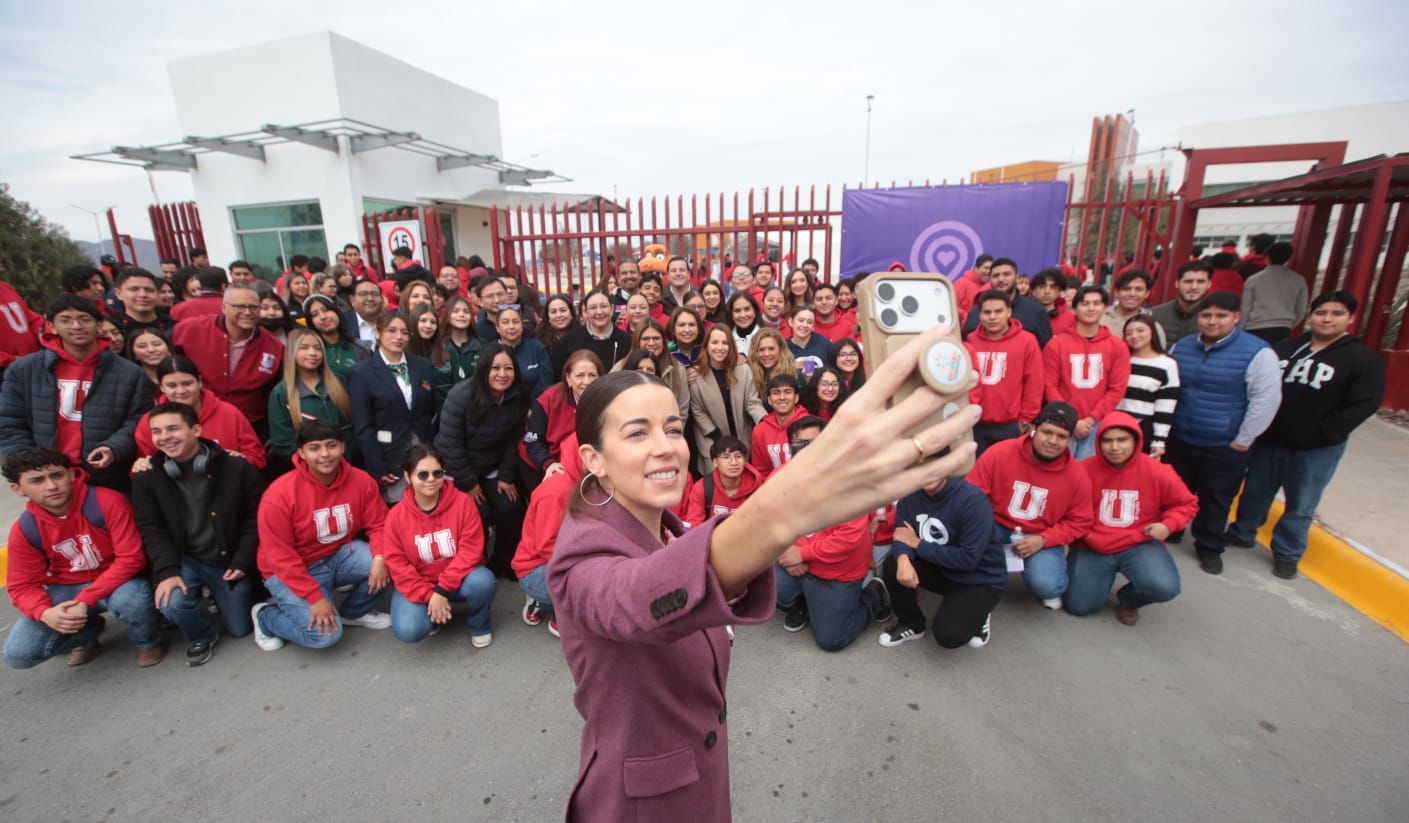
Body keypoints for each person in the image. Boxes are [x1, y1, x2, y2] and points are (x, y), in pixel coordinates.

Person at [546, 334, 979, 820]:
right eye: (636, 433)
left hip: (699, 780)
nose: (666, 448)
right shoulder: (579, 557)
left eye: (672, 428)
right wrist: (795, 501)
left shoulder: (666, 528)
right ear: (593, 460)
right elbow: (639, 597)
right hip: (643, 805)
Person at [1226, 291, 1385, 579]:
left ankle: (1287, 553)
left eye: (1336, 313)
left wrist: (1326, 432)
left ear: (1351, 318)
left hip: (1317, 448)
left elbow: (1365, 403)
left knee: (1301, 504)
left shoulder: (1362, 359)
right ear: (1310, 315)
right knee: (1255, 492)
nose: (1327, 319)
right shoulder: (1285, 348)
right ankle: (1242, 531)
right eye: (1321, 312)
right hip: (1270, 439)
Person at [3, 447, 165, 669]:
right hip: (67, 589)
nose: (51, 486)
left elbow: (131, 559)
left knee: (132, 600)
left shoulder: (106, 501)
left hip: (119, 582)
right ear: (17, 488)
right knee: (18, 654)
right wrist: (44, 613)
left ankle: (147, 641)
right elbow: (22, 586)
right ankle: (87, 633)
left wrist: (85, 599)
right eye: (37, 480)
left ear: (70, 474)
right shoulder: (24, 529)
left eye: (57, 475)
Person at [131, 402, 264, 665]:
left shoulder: (236, 467)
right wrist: (167, 572)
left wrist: (242, 560)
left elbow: (256, 518)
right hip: (185, 559)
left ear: (196, 429)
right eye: (157, 432)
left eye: (172, 428)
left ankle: (222, 596)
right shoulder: (146, 477)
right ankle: (203, 633)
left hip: (227, 559)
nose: (164, 437)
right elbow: (152, 529)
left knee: (240, 629)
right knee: (170, 601)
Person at [1166, 292, 1281, 575]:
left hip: (1224, 442)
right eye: (1206, 316)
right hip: (1180, 436)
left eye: (1221, 316)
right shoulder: (1182, 347)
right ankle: (1173, 530)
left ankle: (1208, 546)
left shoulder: (1258, 352)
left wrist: (1243, 440)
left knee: (1216, 499)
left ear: (1236, 317)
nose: (1212, 322)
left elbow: (1265, 400)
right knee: (1175, 490)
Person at [251, 420, 392, 651]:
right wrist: (314, 598)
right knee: (325, 637)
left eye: (331, 445)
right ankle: (265, 616)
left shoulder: (361, 480)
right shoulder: (279, 494)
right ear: (301, 453)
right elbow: (279, 557)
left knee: (391, 561)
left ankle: (353, 612)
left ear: (343, 447)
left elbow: (380, 524)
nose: (325, 454)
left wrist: (380, 558)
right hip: (291, 570)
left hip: (337, 555)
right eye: (314, 448)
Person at [0, 295, 151, 491]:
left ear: (99, 326)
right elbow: (9, 423)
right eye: (66, 320)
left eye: (84, 319)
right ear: (51, 326)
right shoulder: (24, 370)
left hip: (108, 476)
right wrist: (30, 466)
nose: (76, 325)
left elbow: (138, 419)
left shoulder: (129, 373)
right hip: (48, 479)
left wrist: (114, 447)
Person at [1065, 413, 1196, 624]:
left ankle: (1129, 600)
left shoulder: (1158, 471)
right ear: (1098, 442)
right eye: (1107, 440)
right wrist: (1086, 535)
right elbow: (1066, 510)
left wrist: (1167, 525)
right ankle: (1097, 580)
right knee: (1079, 606)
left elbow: (1186, 504)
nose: (1114, 447)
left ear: (1136, 440)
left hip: (1139, 543)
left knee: (1164, 587)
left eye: (1122, 440)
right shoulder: (1082, 471)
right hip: (1092, 545)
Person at [967, 402, 1094, 609]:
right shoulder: (1000, 452)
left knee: (1048, 586)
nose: (1053, 441)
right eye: (1047, 432)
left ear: (1070, 439)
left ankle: (1043, 571)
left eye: (1061, 436)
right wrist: (981, 531)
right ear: (1034, 429)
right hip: (996, 525)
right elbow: (973, 494)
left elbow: (1080, 521)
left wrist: (1044, 540)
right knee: (963, 559)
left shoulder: (1078, 476)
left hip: (1039, 534)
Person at [381, 446, 497, 647]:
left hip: (458, 580)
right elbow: (397, 564)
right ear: (407, 477)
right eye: (422, 474)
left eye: (437, 473)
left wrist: (441, 591)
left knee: (483, 581)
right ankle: (433, 615)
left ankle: (479, 623)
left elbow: (470, 551)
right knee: (409, 630)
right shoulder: (396, 516)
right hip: (419, 583)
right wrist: (430, 596)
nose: (431, 479)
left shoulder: (463, 503)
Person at [877, 473, 1005, 649]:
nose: (930, 472)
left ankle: (981, 612)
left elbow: (968, 559)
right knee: (894, 562)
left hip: (978, 578)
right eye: (923, 467)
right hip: (941, 568)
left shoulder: (973, 500)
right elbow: (902, 535)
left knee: (948, 636)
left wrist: (917, 544)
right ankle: (911, 624)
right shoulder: (909, 496)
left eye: (937, 465)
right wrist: (903, 558)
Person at [436, 344, 529, 580]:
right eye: (495, 368)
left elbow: (514, 440)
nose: (502, 374)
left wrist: (507, 476)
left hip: (492, 465)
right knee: (479, 512)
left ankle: (504, 562)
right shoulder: (461, 395)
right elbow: (450, 444)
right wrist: (467, 483)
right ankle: (477, 566)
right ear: (484, 369)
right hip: (457, 469)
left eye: (509, 368)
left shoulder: (517, 396)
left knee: (512, 506)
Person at [349, 311, 440, 504]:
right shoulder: (362, 372)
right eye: (392, 331)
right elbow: (363, 426)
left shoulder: (422, 365)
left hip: (423, 450)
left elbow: (433, 408)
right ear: (378, 333)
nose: (398, 337)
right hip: (389, 456)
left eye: (404, 332)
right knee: (398, 509)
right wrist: (378, 466)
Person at [171, 284, 284, 435]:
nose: (247, 312)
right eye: (239, 307)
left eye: (253, 307)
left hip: (250, 425)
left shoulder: (274, 346)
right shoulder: (189, 330)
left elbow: (275, 393)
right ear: (224, 308)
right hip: (196, 421)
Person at [1042, 286, 1131, 460]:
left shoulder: (1117, 346)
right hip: (1061, 422)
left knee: (1089, 474)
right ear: (1074, 309)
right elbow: (1049, 384)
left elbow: (1117, 389)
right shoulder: (1057, 344)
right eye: (1085, 303)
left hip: (1098, 423)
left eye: (1096, 303)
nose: (1091, 308)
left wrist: (1091, 419)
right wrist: (1071, 420)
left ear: (1105, 307)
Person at [133, 356, 267, 469]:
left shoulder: (229, 413)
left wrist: (241, 460)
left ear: (199, 382)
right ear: (161, 387)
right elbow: (143, 466)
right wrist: (142, 466)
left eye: (187, 383)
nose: (180, 391)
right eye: (172, 386)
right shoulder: (149, 421)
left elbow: (258, 457)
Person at [511, 432, 581, 637]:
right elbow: (546, 546)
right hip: (534, 567)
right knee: (584, 588)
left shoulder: (582, 482)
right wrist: (581, 566)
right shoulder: (556, 491)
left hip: (561, 555)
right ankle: (557, 618)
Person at [964, 289, 1043, 456]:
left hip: (1010, 425)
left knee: (1005, 474)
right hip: (974, 423)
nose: (992, 317)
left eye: (998, 311)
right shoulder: (970, 340)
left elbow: (1034, 383)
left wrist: (1026, 419)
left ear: (1009, 312)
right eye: (987, 312)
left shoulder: (1027, 341)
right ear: (980, 315)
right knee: (973, 475)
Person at [267, 328, 357, 466]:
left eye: (317, 348)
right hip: (309, 470)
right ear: (292, 352)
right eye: (303, 348)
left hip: (349, 464)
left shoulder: (340, 381)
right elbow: (283, 442)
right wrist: (311, 464)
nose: (312, 353)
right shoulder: (281, 393)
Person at [688, 325, 765, 477]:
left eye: (725, 343)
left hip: (741, 438)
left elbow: (752, 402)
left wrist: (764, 421)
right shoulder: (696, 375)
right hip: (712, 440)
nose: (720, 347)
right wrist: (717, 436)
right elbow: (696, 409)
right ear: (706, 346)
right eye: (715, 342)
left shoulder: (743, 370)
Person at [523, 350, 603, 486]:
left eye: (592, 375)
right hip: (553, 465)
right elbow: (533, 442)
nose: (587, 381)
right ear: (568, 378)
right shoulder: (548, 400)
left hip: (592, 466)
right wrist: (549, 464)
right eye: (579, 375)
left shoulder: (608, 403)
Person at [1116, 315, 1179, 458]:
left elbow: (1166, 406)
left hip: (1143, 427)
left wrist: (1159, 440)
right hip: (1114, 423)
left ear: (1152, 332)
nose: (1134, 336)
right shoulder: (1120, 359)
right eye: (1128, 333)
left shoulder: (1167, 364)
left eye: (1140, 331)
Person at [962, 257, 1053, 347]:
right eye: (996, 275)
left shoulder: (1036, 312)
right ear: (990, 279)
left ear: (1017, 277)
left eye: (1006, 274)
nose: (1001, 279)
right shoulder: (975, 313)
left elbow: (1045, 350)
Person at [680, 436, 762, 526]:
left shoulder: (757, 487)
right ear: (715, 462)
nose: (734, 462)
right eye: (726, 457)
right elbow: (694, 527)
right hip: (712, 538)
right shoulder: (703, 488)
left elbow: (764, 523)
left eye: (738, 456)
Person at [1240, 242, 1308, 344]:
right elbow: (1302, 309)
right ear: (1288, 258)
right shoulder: (1299, 280)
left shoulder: (1254, 279)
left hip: (1255, 327)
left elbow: (1245, 307)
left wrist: (1241, 328)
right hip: (1283, 328)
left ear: (1267, 257)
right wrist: (1290, 325)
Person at [552, 288, 631, 376]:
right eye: (593, 307)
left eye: (604, 306)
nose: (599, 312)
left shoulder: (626, 341)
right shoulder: (569, 340)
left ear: (612, 309)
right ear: (585, 312)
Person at [750, 372, 807, 478]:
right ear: (769, 400)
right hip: (774, 491)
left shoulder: (811, 426)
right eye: (776, 392)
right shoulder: (760, 431)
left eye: (787, 392)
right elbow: (760, 472)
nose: (782, 397)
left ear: (796, 398)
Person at [302, 294, 369, 383]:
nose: (323, 317)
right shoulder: (308, 352)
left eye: (326, 310)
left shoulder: (360, 347)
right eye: (315, 315)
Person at [496, 306, 554, 398]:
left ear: (522, 325)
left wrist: (531, 406)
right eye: (505, 322)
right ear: (497, 327)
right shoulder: (490, 352)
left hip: (535, 405)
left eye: (515, 322)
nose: (511, 326)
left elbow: (546, 382)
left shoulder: (537, 348)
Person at [1099, 270, 1165, 348]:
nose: (1132, 294)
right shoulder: (1099, 318)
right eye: (1126, 289)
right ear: (1116, 292)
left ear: (1147, 293)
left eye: (1138, 289)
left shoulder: (1153, 325)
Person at [1151, 260, 1211, 346]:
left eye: (1200, 282)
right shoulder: (1155, 314)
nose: (1194, 287)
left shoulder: (1214, 319)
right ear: (1177, 283)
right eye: (1188, 281)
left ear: (1209, 284)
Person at [113, 268, 174, 335]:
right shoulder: (113, 327)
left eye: (149, 290)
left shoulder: (173, 325)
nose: (143, 295)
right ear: (118, 293)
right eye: (134, 289)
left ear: (157, 293)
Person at [785, 306, 832, 377]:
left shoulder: (826, 345)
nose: (805, 325)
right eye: (801, 320)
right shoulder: (784, 347)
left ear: (813, 326)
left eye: (809, 322)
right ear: (791, 322)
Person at [344, 278, 385, 348]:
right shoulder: (343, 322)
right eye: (363, 294)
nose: (370, 299)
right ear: (352, 300)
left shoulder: (391, 321)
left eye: (375, 294)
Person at [952, 254, 994, 318]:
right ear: (976, 268)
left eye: (991, 269)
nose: (988, 272)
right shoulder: (962, 283)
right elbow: (951, 306)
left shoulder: (992, 286)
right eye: (986, 268)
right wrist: (968, 317)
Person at [726, 291, 761, 357]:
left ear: (755, 312)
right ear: (731, 316)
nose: (743, 315)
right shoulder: (726, 339)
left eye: (747, 309)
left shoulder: (768, 336)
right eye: (737, 310)